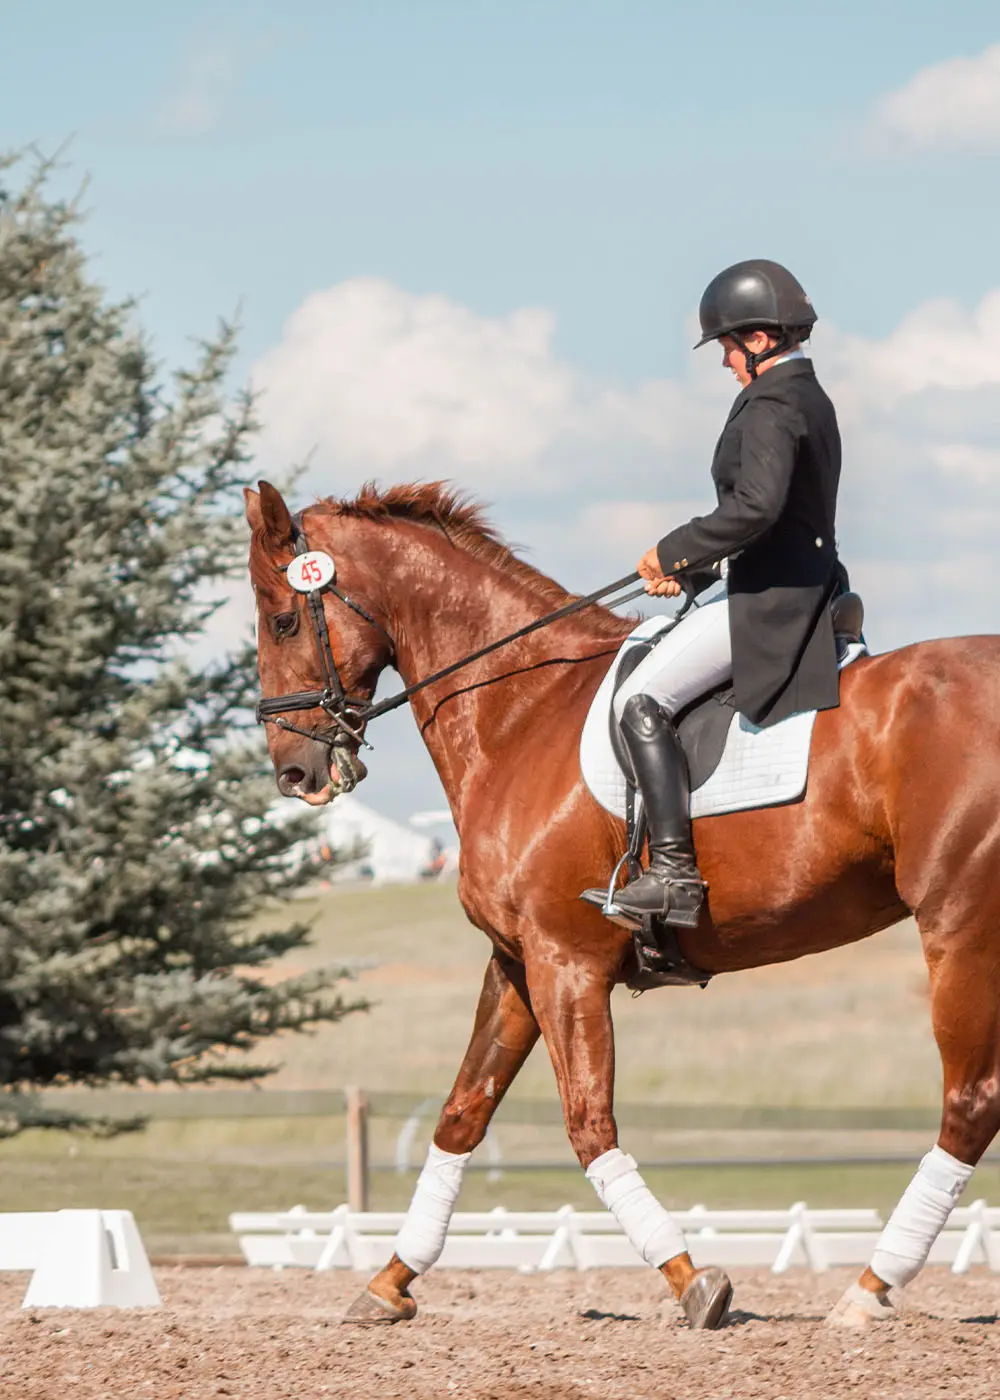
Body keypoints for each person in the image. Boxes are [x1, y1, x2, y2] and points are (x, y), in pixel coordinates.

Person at [611, 258, 849, 929]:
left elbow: (756, 508)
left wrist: (674, 548)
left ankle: (674, 875)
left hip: (774, 601)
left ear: (760, 340)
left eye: (726, 345)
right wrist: (694, 571)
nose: (723, 362)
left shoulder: (774, 402)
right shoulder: (807, 394)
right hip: (790, 577)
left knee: (640, 699)